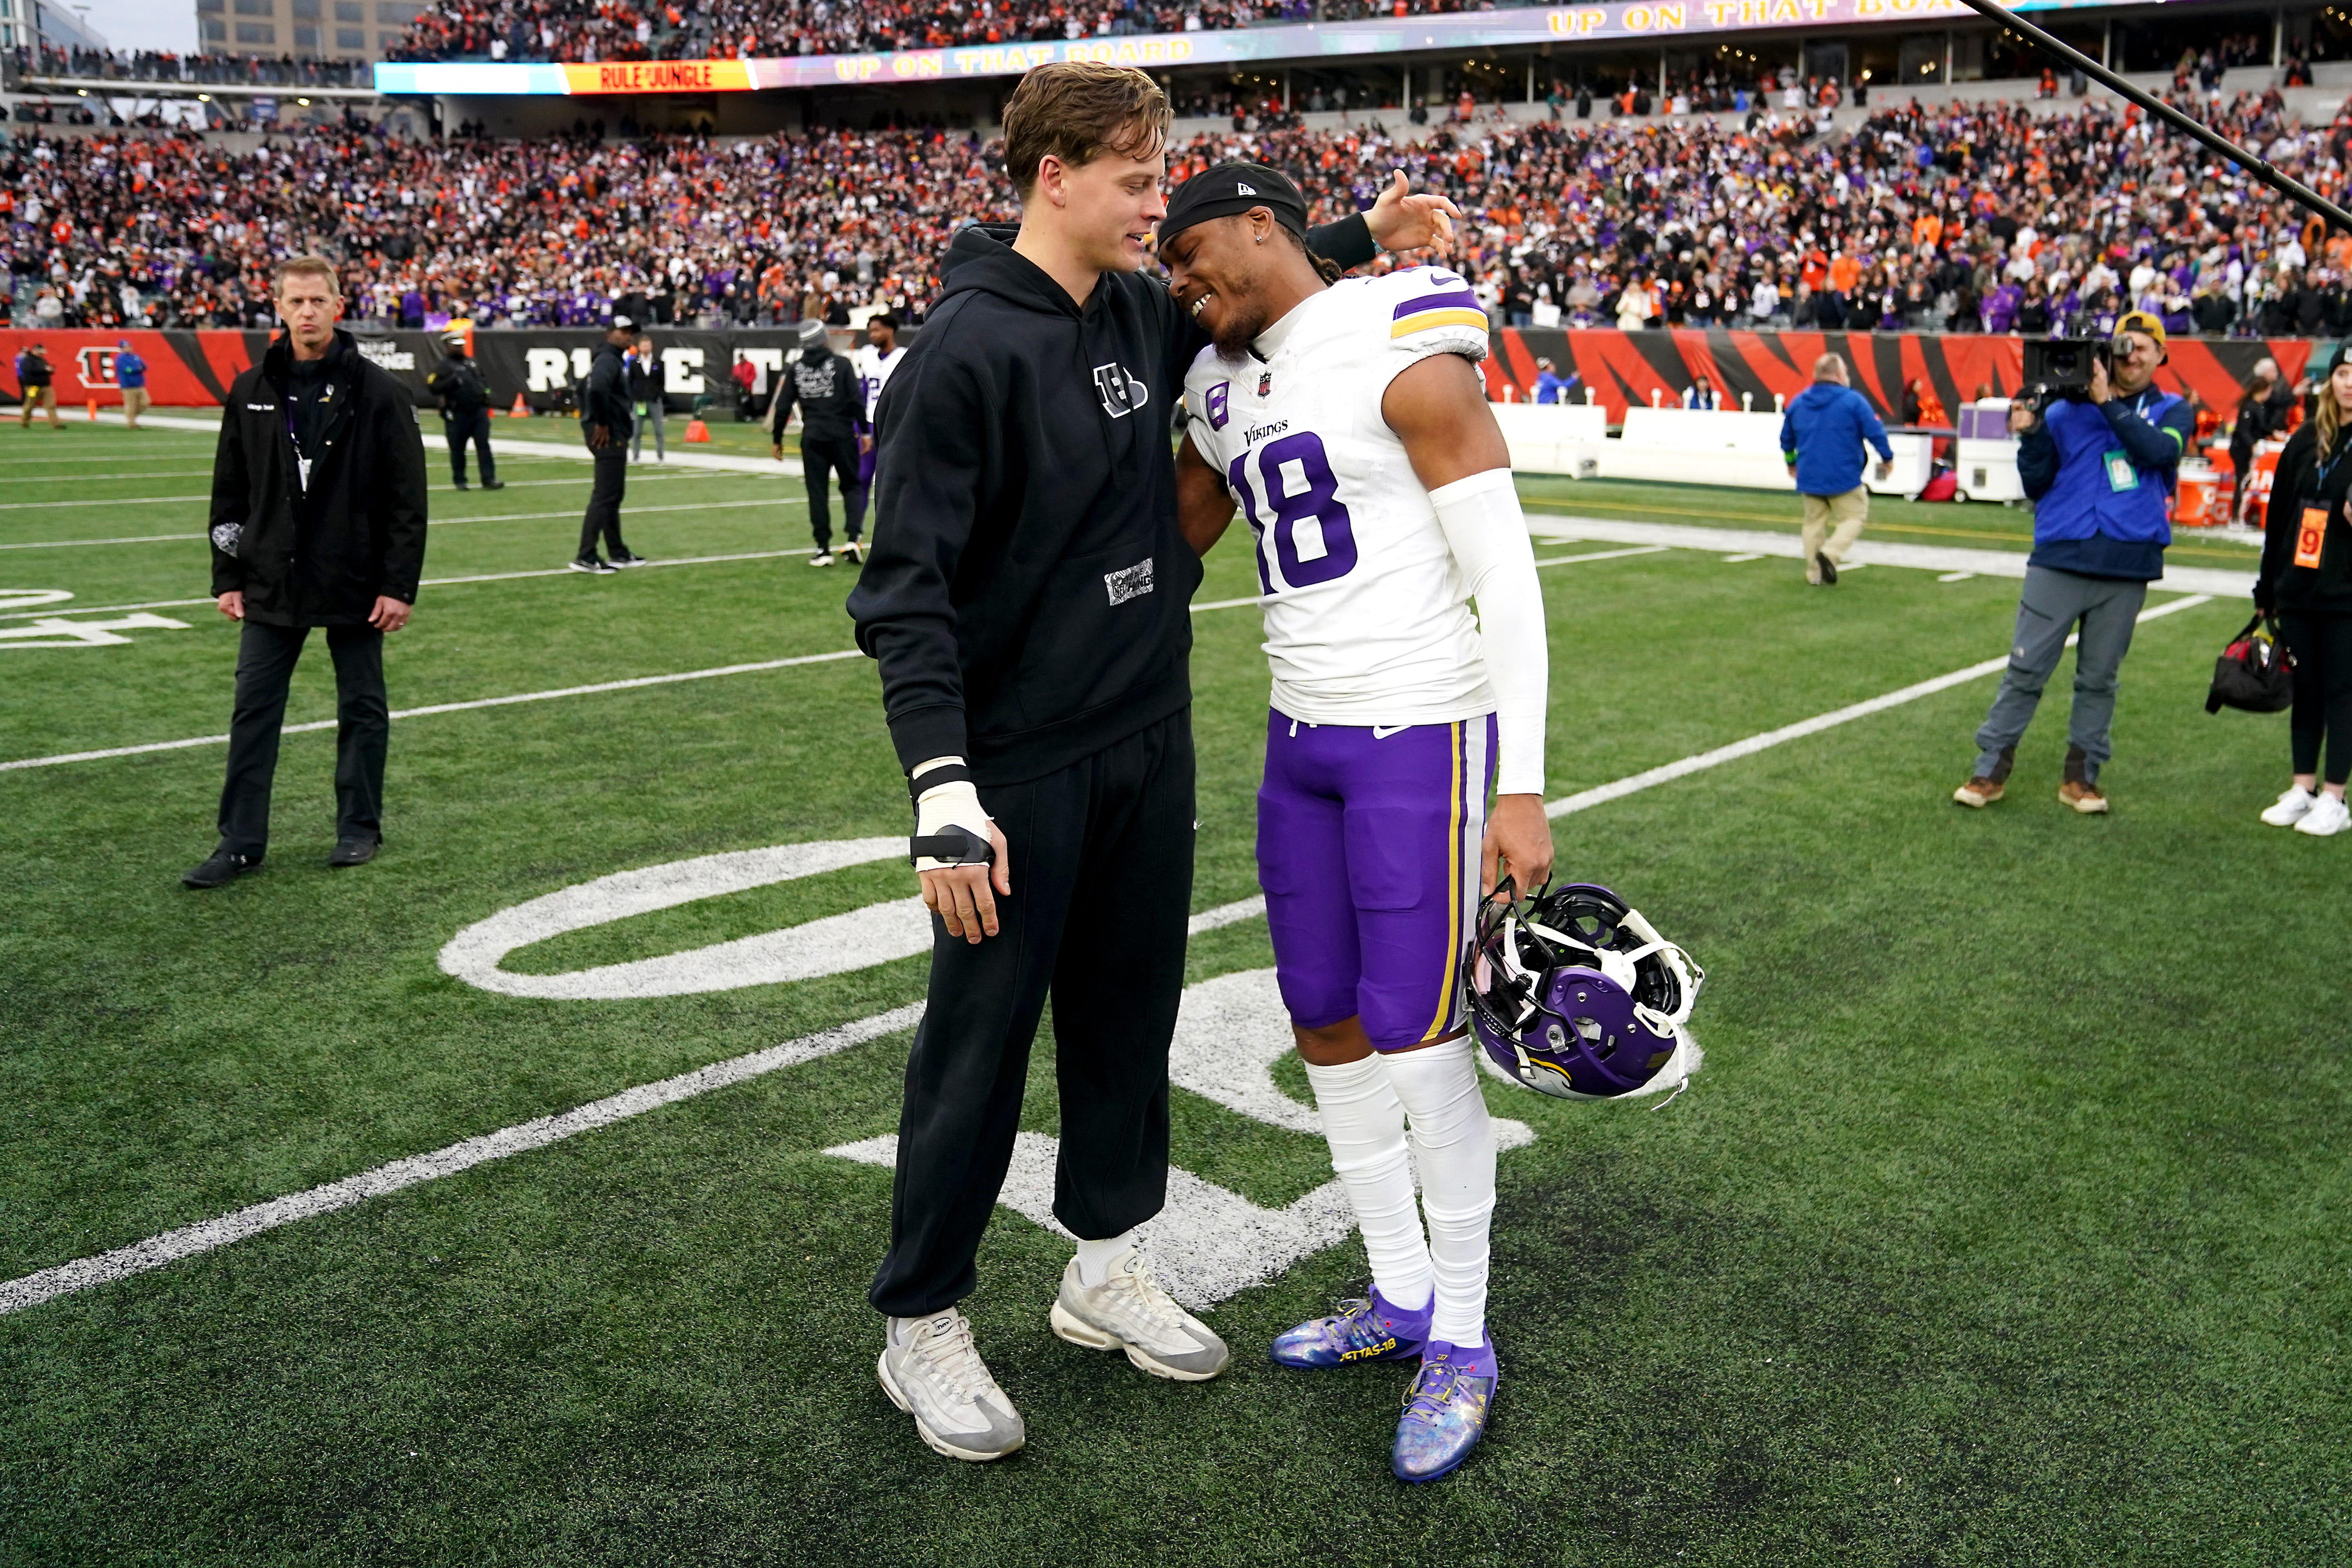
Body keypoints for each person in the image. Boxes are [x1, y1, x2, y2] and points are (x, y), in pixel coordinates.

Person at [843, 60, 1457, 1467]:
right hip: (1011, 766)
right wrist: (942, 793)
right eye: (1131, 178)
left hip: (1144, 737)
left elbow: (1246, 299)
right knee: (977, 1048)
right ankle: (921, 1318)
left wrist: (1362, 237)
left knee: (1129, 1023)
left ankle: (1104, 1264)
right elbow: (904, 594)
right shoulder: (958, 351)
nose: (1152, 208)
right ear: (1051, 175)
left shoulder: (1130, 305)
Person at [1163, 162, 1550, 1484]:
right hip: (1297, 741)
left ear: (1261, 225)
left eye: (1190, 254)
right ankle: (1395, 1296)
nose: (1178, 283)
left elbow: (1504, 572)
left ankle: (1463, 1331)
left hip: (1419, 738)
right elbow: (1168, 545)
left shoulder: (1400, 336)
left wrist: (1521, 782)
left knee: (1418, 1028)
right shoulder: (1215, 386)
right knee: (1320, 1013)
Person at [182, 255, 427, 890]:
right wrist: (226, 575)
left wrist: (397, 585)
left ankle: (358, 826)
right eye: (296, 301)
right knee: (253, 708)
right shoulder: (249, 388)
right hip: (270, 578)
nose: (307, 311)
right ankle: (239, 840)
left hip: (354, 578)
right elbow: (228, 493)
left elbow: (407, 500)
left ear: (338, 306)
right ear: (279, 308)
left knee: (362, 706)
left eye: (318, 300)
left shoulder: (380, 392)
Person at [1954, 314, 2191, 814]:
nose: (2130, 356)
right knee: (2024, 669)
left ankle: (2080, 777)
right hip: (2061, 555)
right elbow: (2036, 484)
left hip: (2126, 562)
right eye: (2121, 347)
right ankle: (1988, 768)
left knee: (2098, 678)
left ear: (2161, 356)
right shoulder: (2061, 410)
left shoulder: (2172, 410)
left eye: (2142, 348)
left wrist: (2105, 401)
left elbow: (2154, 454)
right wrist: (2031, 433)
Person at [2254, 342, 2352, 837]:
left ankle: (2335, 796)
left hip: (2346, 593)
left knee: (2340, 692)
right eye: (2342, 372)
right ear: (2329, 379)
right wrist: (2265, 585)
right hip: (2296, 587)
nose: (2349, 382)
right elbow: (2276, 519)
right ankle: (2302, 787)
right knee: (2306, 689)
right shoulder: (2305, 438)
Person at [1779, 354, 1893, 585]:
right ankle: (1831, 553)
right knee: (1854, 516)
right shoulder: (1853, 401)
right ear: (1840, 375)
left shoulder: (1798, 402)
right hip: (1844, 475)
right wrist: (1887, 457)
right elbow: (1875, 431)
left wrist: (1791, 463)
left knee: (1813, 524)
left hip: (1809, 474)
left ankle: (1814, 574)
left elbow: (1786, 440)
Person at [769, 318, 869, 566]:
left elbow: (782, 407)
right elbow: (856, 401)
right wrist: (865, 432)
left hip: (813, 436)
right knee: (852, 486)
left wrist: (777, 439)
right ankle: (853, 538)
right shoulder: (842, 364)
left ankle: (823, 549)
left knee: (817, 492)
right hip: (843, 434)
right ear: (824, 339)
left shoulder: (795, 369)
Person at [572, 316, 648, 574]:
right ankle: (586, 554)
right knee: (605, 496)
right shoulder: (607, 360)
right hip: (609, 434)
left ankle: (617, 551)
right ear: (610, 334)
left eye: (631, 332)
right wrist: (601, 423)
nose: (629, 336)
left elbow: (585, 389)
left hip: (612, 432)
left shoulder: (611, 359)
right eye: (623, 332)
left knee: (613, 495)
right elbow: (596, 391)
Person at [424, 329, 502, 491]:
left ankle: (489, 479)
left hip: (478, 411)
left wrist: (486, 395)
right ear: (448, 346)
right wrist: (451, 382)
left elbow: (483, 380)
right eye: (456, 346)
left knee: (484, 445)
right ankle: (460, 480)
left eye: (461, 346)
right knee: (458, 449)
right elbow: (433, 387)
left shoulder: (471, 362)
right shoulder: (443, 367)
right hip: (458, 412)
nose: (460, 349)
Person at [2230, 359, 2297, 524]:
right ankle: (2235, 517)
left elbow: (2262, 427)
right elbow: (2244, 430)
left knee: (2247, 481)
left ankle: (2240, 516)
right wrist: (2252, 445)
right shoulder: (2249, 407)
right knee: (2242, 480)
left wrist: (2274, 433)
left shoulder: (2260, 407)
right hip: (2241, 448)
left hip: (2251, 448)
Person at [854, 311, 908, 513]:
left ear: (890, 330)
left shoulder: (903, 356)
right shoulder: (867, 354)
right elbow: (864, 390)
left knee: (893, 481)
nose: (873, 335)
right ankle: (856, 534)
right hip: (869, 422)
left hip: (894, 424)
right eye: (870, 331)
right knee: (863, 477)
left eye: (877, 330)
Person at [628, 339, 666, 463]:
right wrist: (635, 397)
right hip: (641, 402)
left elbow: (662, 382)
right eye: (644, 345)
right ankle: (636, 455)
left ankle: (660, 456)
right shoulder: (634, 363)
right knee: (637, 430)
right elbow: (630, 382)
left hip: (654, 401)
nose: (646, 348)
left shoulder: (658, 363)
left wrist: (658, 395)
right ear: (639, 347)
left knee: (659, 430)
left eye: (648, 345)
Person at [16, 341, 57, 428]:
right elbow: (29, 370)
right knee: (30, 405)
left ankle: (55, 424)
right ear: (35, 350)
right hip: (33, 387)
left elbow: (46, 369)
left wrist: (50, 370)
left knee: (51, 405)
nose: (41, 353)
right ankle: (24, 422)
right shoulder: (27, 360)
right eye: (40, 351)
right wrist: (44, 370)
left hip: (46, 387)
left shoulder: (42, 360)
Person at [115, 338, 150, 429]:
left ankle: (133, 416)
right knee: (130, 405)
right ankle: (131, 423)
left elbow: (144, 366)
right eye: (125, 347)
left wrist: (141, 368)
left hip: (139, 384)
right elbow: (127, 370)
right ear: (122, 349)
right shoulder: (120, 359)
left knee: (146, 402)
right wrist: (137, 369)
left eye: (129, 346)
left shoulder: (136, 357)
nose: (128, 348)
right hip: (128, 386)